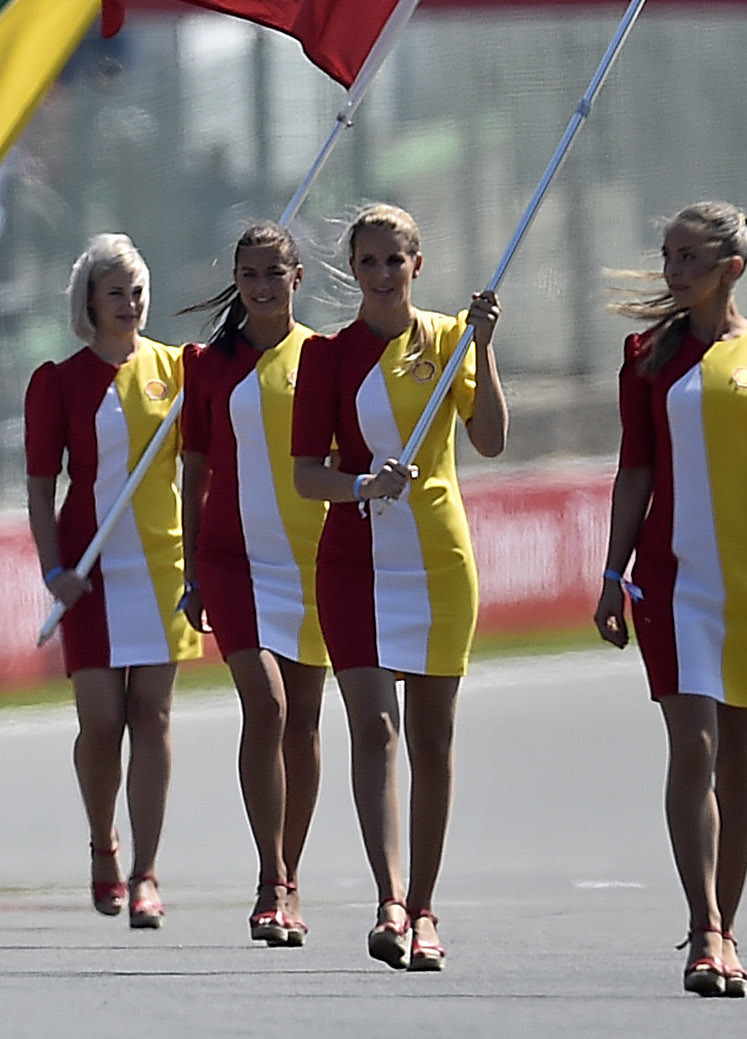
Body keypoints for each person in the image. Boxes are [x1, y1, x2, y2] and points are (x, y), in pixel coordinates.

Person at [592, 202, 747, 999]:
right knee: (693, 747)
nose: (674, 272)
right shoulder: (645, 355)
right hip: (670, 582)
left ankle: (726, 926)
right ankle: (702, 926)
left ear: (732, 266)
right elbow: (634, 470)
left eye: (690, 257)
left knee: (739, 759)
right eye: (667, 255)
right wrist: (611, 572)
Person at [291, 202, 506, 974]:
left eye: (396, 260)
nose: (383, 274)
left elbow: (490, 439)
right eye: (369, 261)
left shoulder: (449, 342)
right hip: (354, 563)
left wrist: (484, 347)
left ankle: (424, 905)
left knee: (433, 739)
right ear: (353, 270)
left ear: (418, 264)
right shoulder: (327, 356)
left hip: (439, 563)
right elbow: (306, 472)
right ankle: (387, 899)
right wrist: (361, 484)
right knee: (375, 727)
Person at [25, 233, 202, 930]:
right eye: (114, 293)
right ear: (89, 302)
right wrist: (54, 569)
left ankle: (147, 873)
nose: (129, 304)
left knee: (152, 716)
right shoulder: (59, 381)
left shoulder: (179, 369)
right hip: (90, 572)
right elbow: (42, 487)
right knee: (102, 723)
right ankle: (103, 843)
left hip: (161, 564)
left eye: (136, 291)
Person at [174, 221, 328, 947]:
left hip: (313, 559)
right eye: (250, 274)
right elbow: (194, 469)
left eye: (275, 273)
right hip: (231, 558)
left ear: (297, 277)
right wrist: (190, 569)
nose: (262, 286)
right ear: (236, 281)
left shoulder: (325, 358)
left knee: (302, 720)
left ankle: (290, 874)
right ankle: (270, 875)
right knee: (263, 705)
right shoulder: (206, 364)